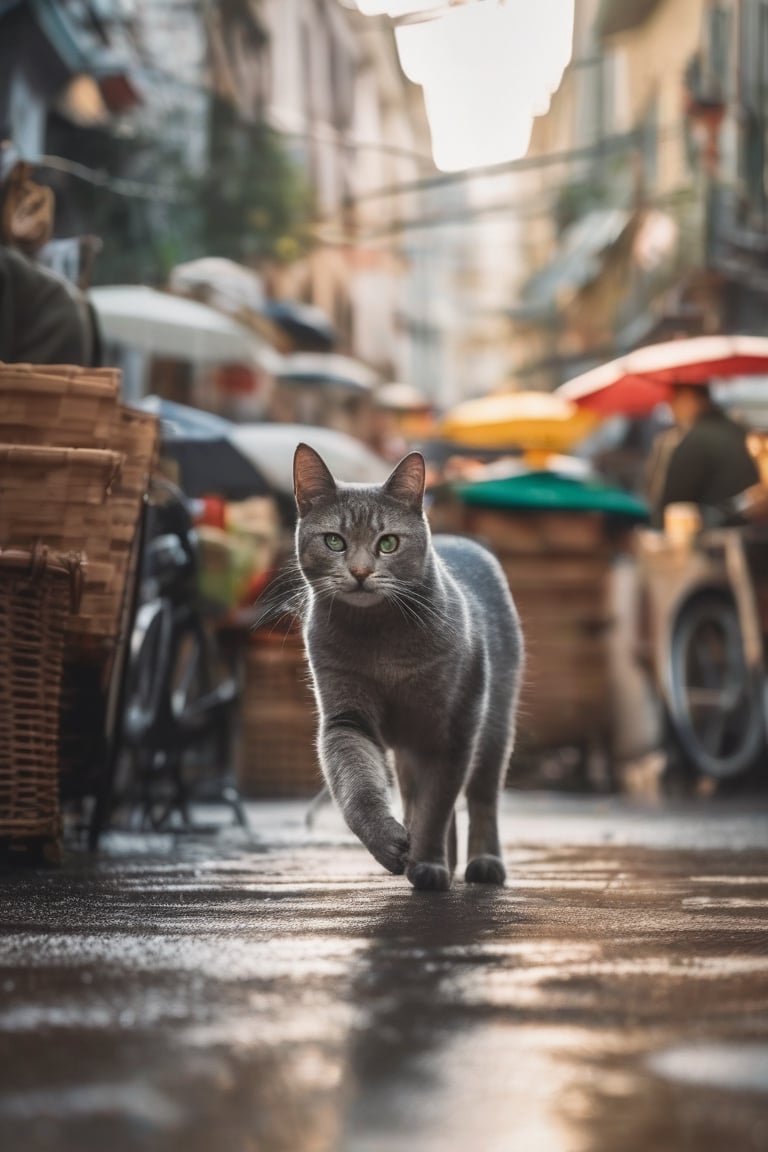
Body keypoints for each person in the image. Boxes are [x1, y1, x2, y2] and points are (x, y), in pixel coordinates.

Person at [648, 382, 760, 529]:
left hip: (714, 534)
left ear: (691, 399)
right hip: (752, 531)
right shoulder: (739, 430)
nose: (672, 410)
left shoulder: (696, 440)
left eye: (674, 401)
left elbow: (674, 501)